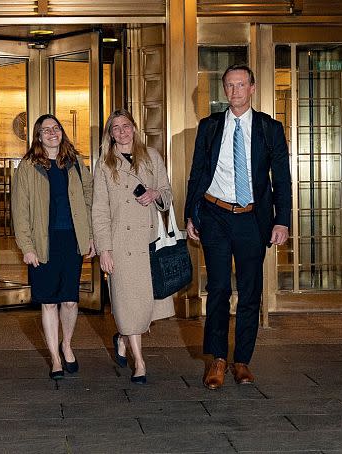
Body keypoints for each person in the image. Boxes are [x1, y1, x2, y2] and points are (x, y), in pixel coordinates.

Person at [185, 64, 292, 389]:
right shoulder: (210, 126)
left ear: (252, 88)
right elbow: (197, 172)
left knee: (249, 291)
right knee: (217, 287)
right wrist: (192, 213)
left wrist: (282, 220)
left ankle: (242, 359)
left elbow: (282, 178)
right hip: (216, 215)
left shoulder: (269, 128)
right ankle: (217, 359)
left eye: (241, 85)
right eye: (229, 85)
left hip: (252, 218)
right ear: (225, 89)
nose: (235, 91)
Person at [92, 109, 175, 384]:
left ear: (135, 128)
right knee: (128, 304)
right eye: (115, 128)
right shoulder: (105, 164)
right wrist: (104, 248)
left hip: (148, 240)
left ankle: (123, 338)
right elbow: (99, 210)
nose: (122, 131)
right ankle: (139, 362)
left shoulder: (152, 157)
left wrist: (156, 195)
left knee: (145, 307)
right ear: (110, 134)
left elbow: (167, 192)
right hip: (120, 244)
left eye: (126, 126)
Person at [11, 114, 94, 380]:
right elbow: (20, 210)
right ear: (37, 135)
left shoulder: (75, 163)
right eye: (45, 130)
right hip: (42, 242)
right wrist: (27, 247)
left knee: (69, 300)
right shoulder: (28, 166)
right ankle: (55, 359)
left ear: (62, 132)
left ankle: (66, 344)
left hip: (71, 239)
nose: (51, 133)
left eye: (55, 128)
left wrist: (90, 236)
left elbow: (89, 198)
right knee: (48, 302)